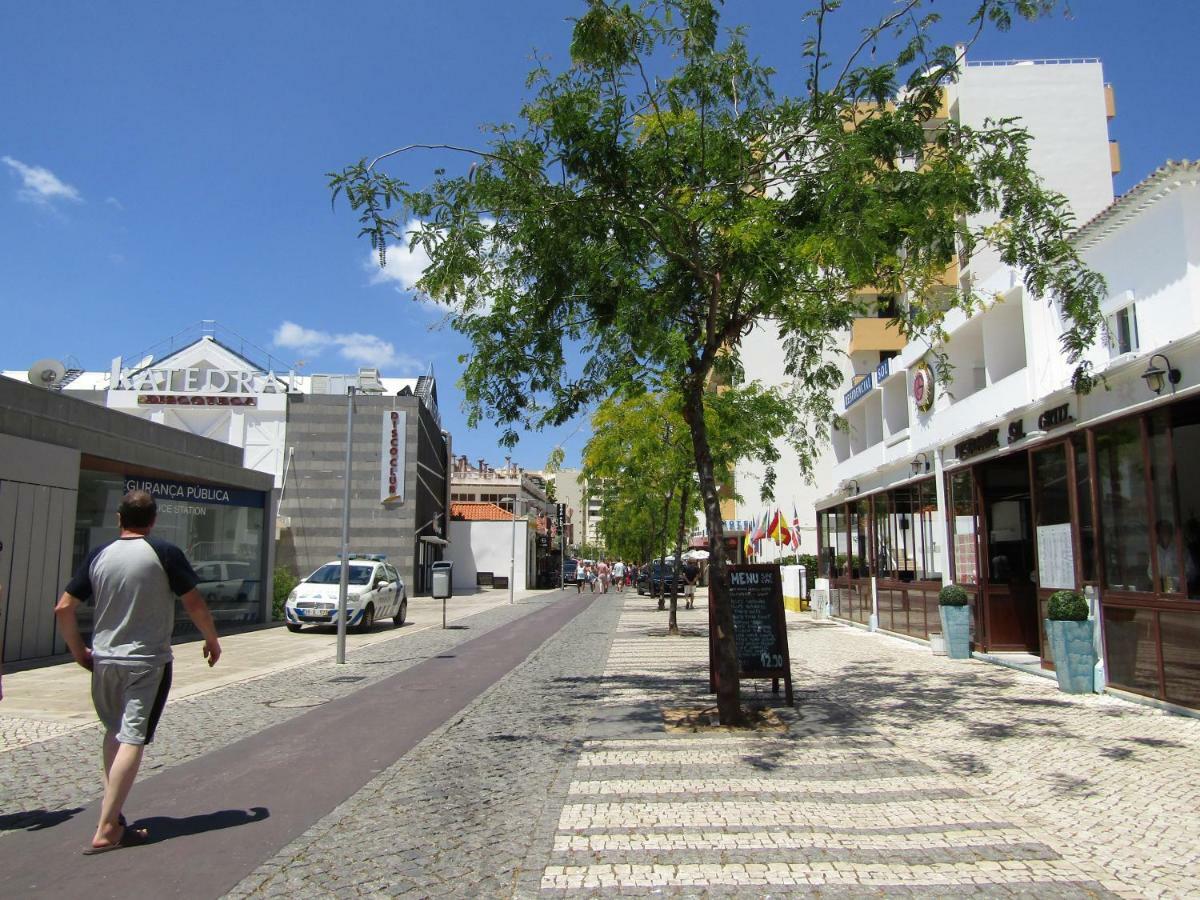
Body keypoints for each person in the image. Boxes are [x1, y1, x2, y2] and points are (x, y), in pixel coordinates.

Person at [54, 489, 221, 854]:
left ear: (119, 518)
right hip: (146, 661)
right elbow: (194, 603)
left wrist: (79, 651)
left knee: (115, 732)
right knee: (133, 737)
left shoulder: (100, 555)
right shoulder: (163, 553)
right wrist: (212, 640)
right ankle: (106, 827)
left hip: (105, 660)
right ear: (154, 519)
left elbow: (64, 608)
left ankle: (114, 817)